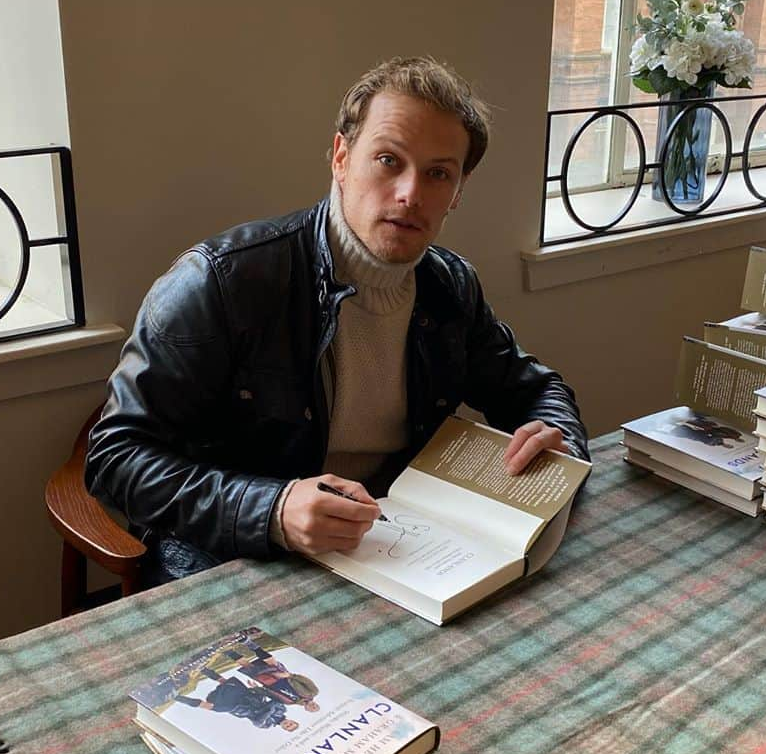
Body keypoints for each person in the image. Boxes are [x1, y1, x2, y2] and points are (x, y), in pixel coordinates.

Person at [86, 56, 589, 586]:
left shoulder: (450, 285)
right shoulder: (222, 281)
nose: (410, 194)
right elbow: (116, 457)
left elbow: (535, 389)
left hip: (402, 553)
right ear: (341, 157)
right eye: (389, 160)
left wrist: (560, 438)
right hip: (241, 561)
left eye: (438, 173)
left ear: (459, 191)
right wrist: (272, 509)